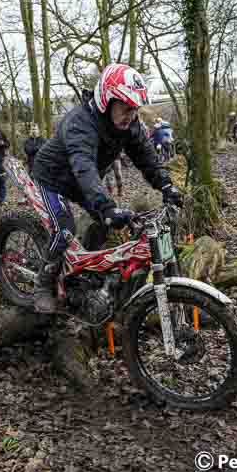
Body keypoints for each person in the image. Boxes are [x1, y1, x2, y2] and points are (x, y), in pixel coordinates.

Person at [30, 63, 182, 313]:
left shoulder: (129, 124)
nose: (131, 115)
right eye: (125, 108)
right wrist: (107, 206)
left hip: (83, 182)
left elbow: (146, 157)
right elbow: (84, 167)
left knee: (105, 223)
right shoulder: (80, 123)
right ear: (106, 100)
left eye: (134, 109)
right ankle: (43, 284)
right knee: (65, 228)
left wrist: (167, 186)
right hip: (53, 178)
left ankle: (84, 269)